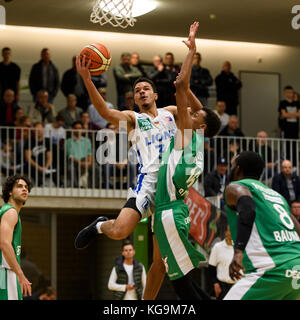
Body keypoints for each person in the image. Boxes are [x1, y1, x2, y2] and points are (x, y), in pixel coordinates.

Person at [74, 25, 220, 299]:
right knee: (119, 232)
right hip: (148, 184)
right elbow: (105, 111)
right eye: (137, 90)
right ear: (134, 98)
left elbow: (201, 114)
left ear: (155, 95)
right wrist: (87, 79)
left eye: (146, 88)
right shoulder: (133, 118)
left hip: (170, 189)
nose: (141, 92)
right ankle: (98, 225)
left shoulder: (170, 113)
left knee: (159, 264)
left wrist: (192, 50)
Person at [153, 22, 219, 300]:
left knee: (181, 286)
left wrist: (191, 51)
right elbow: (194, 102)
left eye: (195, 116)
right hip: (174, 211)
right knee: (185, 284)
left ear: (200, 127)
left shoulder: (187, 134)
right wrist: (193, 48)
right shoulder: (195, 141)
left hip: (169, 213)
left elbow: (180, 84)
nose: (190, 114)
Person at [224, 151, 300, 300]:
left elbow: (247, 208)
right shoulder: (277, 196)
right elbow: (297, 228)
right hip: (296, 269)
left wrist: (238, 252)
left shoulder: (236, 186)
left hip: (271, 270)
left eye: (232, 166)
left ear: (238, 169)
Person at [0, 175, 33, 300]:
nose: (24, 189)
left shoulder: (7, 211)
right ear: (9, 191)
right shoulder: (10, 212)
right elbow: (4, 244)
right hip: (5, 272)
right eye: (19, 186)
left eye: (26, 187)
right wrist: (20, 274)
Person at [208, 225, 236, 300]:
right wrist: (215, 284)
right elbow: (211, 268)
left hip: (238, 286)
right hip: (222, 287)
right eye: (229, 230)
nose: (230, 233)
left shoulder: (241, 248)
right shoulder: (217, 247)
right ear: (226, 232)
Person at [24, 122, 53, 187]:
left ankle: (61, 185)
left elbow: (49, 157)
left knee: (55, 170)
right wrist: (39, 168)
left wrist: (46, 167)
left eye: (40, 129)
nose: (39, 131)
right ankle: (41, 185)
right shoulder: (30, 141)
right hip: (33, 165)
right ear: (34, 130)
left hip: (44, 165)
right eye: (37, 129)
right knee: (33, 170)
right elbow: (28, 158)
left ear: (43, 130)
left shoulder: (47, 141)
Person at [66, 121, 93, 188]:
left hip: (85, 161)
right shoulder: (68, 141)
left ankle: (93, 187)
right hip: (75, 162)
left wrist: (89, 162)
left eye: (80, 128)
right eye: (76, 128)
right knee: (71, 168)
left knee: (96, 169)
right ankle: (76, 186)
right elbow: (70, 156)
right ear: (73, 129)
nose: (78, 130)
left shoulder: (87, 140)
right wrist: (80, 163)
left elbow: (89, 153)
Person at [278, 85, 300, 164]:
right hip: (286, 129)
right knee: (286, 147)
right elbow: (284, 114)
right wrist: (294, 114)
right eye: (288, 92)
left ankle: (294, 164)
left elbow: (299, 114)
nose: (289, 94)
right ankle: (287, 163)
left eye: (291, 92)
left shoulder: (297, 103)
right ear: (284, 93)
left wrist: (288, 114)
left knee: (294, 147)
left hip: (295, 129)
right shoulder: (283, 103)